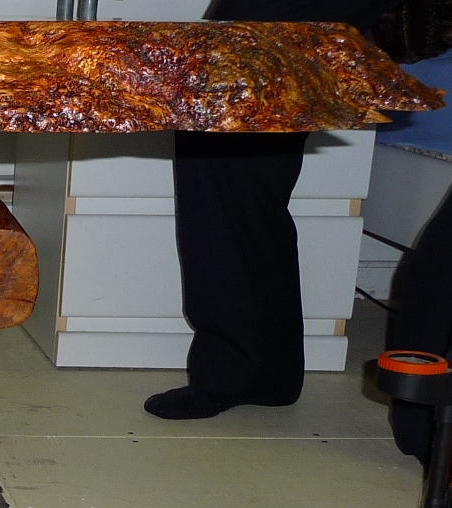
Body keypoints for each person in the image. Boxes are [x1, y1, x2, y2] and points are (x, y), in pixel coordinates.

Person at [143, 0, 397, 420]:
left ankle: (237, 373)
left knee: (225, 199)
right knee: (249, 202)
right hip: (271, 26)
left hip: (270, 26)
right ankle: (268, 373)